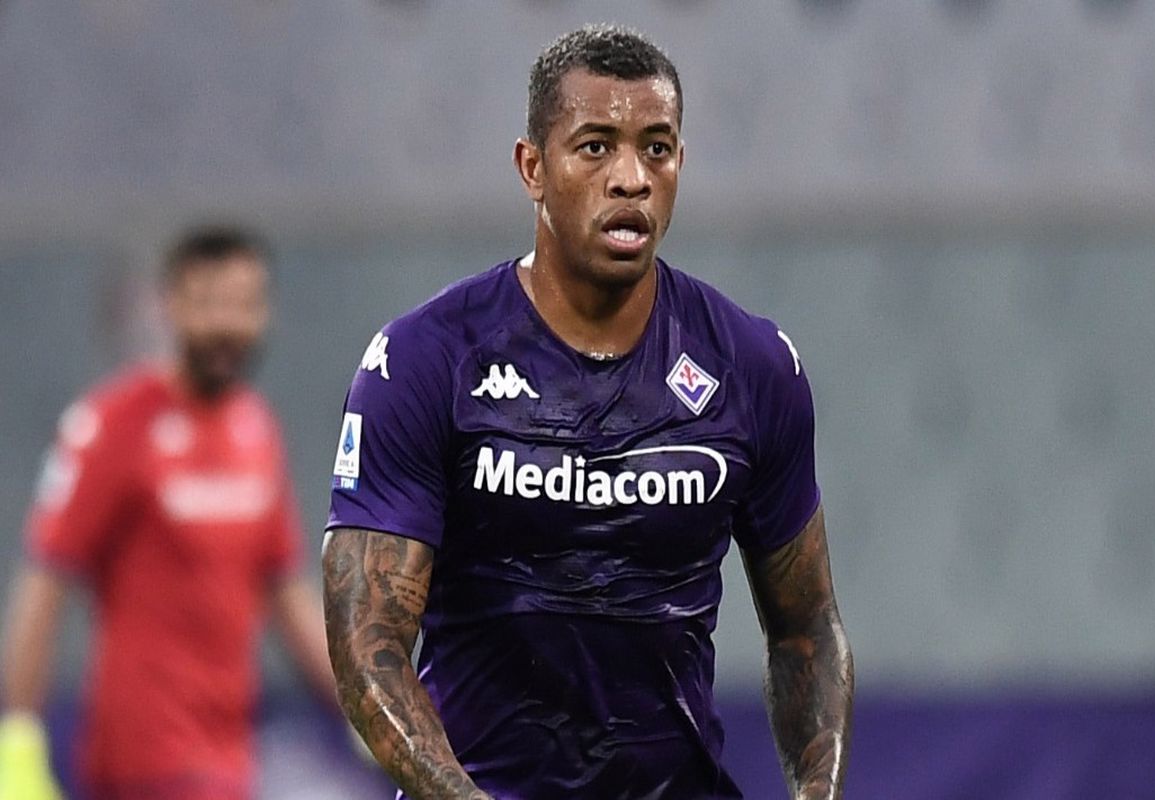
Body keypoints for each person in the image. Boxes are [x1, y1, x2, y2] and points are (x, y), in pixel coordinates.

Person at [323, 24, 853, 800]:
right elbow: (367, 646)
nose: (631, 178)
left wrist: (817, 794)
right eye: (596, 147)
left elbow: (807, 629)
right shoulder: (425, 360)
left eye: (657, 149)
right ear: (532, 168)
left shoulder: (753, 366)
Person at [0, 227, 336, 800]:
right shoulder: (111, 425)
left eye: (243, 304)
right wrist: (18, 744)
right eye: (208, 303)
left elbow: (285, 593)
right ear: (170, 306)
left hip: (228, 757)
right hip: (143, 763)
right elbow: (45, 582)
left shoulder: (256, 428)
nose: (226, 324)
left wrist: (364, 708)